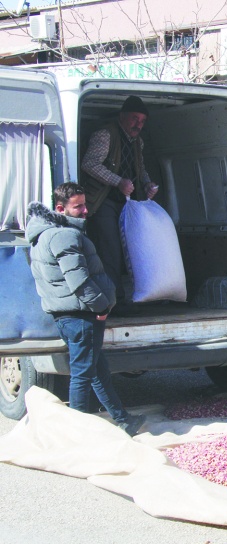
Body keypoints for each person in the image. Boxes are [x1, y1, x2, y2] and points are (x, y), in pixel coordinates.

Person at [25, 183, 146, 436]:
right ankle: (77, 434)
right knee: (82, 374)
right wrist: (101, 307)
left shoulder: (44, 234)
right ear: (61, 208)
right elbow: (78, 280)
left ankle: (123, 419)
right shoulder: (64, 235)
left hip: (70, 315)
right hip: (82, 316)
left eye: (85, 204)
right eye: (78, 206)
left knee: (97, 371)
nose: (85, 210)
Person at [81, 96, 159, 304]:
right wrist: (117, 181)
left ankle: (133, 295)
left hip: (127, 203)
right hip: (103, 201)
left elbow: (140, 168)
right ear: (122, 117)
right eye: (134, 119)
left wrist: (148, 185)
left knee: (132, 248)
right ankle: (113, 300)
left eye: (142, 121)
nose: (138, 125)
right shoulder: (105, 135)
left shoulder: (137, 142)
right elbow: (89, 164)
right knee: (110, 250)